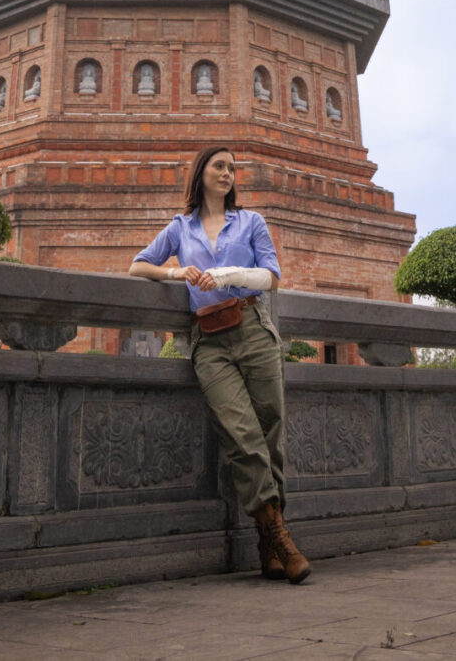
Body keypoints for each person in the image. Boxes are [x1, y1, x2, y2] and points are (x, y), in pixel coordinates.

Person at [129, 143, 311, 584]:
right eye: (219, 166)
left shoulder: (251, 221)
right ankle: (282, 539)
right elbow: (138, 266)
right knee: (241, 434)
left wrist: (228, 275)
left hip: (252, 328)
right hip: (208, 340)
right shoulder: (181, 228)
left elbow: (272, 276)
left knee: (270, 435)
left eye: (232, 168)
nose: (228, 173)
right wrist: (177, 273)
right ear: (202, 173)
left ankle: (269, 544)